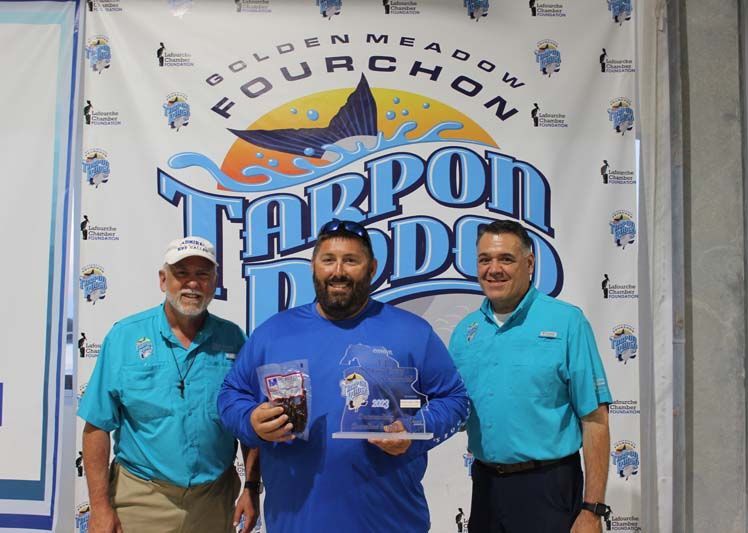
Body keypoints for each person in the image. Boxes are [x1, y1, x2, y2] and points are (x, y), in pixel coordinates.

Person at [218, 219, 469, 533]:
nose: (338, 271)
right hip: (297, 523)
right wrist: (250, 421)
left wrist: (416, 430)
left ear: (372, 268)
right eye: (328, 260)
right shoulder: (273, 333)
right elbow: (230, 396)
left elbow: (456, 401)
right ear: (314, 266)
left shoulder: (413, 332)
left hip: (390, 523)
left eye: (351, 260)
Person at [78, 237, 260, 533]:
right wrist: (99, 508)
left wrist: (251, 488)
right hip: (141, 499)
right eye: (181, 273)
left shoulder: (234, 339)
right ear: (163, 280)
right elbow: (96, 425)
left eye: (202, 274)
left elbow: (248, 423)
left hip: (215, 500)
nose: (193, 284)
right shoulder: (124, 337)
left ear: (214, 283)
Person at [448, 220, 613, 533]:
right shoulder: (465, 333)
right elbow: (452, 410)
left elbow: (595, 420)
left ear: (530, 263)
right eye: (485, 259)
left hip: (549, 487)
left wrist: (592, 509)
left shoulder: (567, 322)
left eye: (506, 259)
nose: (494, 269)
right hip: (485, 487)